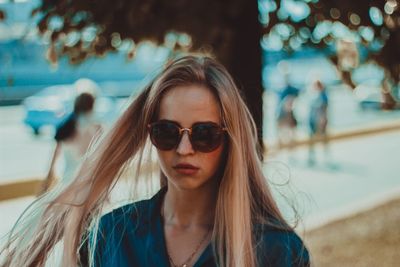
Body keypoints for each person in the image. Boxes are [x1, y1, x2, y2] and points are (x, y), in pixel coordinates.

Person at [1, 55, 310, 267]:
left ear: (231, 139)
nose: (184, 149)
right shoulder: (109, 236)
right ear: (150, 134)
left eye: (204, 134)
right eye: (167, 132)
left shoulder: (277, 251)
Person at [38, 90, 101, 195]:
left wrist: (50, 174)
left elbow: (55, 153)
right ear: (92, 105)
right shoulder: (94, 127)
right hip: (87, 182)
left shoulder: (65, 126)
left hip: (67, 179)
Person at [308, 79, 329, 166]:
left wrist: (323, 119)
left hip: (320, 120)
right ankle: (312, 158)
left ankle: (325, 157)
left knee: (323, 139)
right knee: (312, 139)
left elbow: (324, 109)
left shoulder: (323, 96)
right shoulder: (313, 95)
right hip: (312, 120)